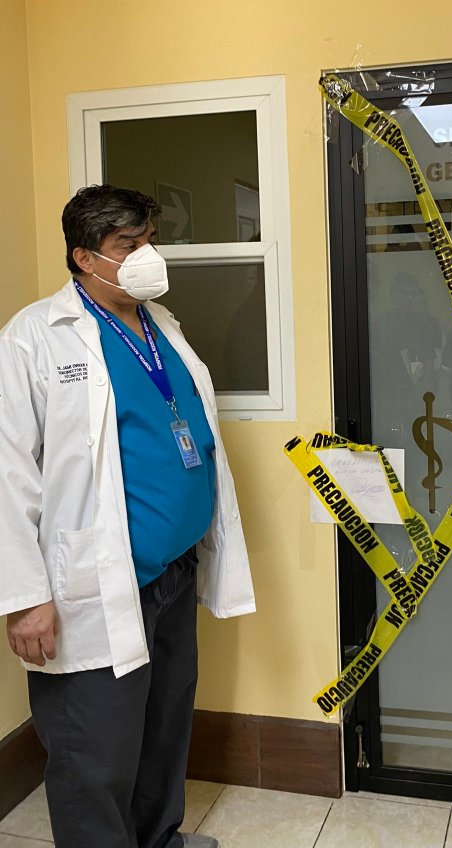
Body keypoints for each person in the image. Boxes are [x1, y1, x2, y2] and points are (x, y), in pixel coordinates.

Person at [0, 185, 256, 848]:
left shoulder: (160, 324)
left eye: (148, 240)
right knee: (95, 747)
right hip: (92, 584)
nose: (147, 256)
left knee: (163, 727)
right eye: (127, 245)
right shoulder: (34, 337)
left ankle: (157, 840)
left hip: (170, 574)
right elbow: (7, 476)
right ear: (85, 257)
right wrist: (25, 598)